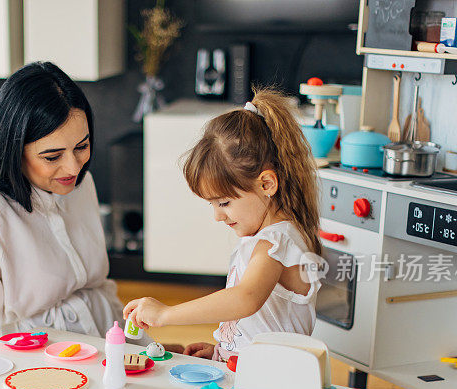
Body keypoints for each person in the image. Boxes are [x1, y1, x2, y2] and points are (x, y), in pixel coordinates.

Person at [0, 62, 150, 365]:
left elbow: (100, 294)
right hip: (35, 370)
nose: (73, 167)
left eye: (82, 146)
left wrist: (146, 349)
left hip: (105, 353)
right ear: (14, 149)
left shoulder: (81, 185)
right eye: (52, 156)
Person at [124, 89, 325, 362]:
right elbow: (255, 322)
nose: (218, 217)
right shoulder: (262, 238)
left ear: (267, 184)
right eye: (212, 205)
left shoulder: (277, 242)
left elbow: (245, 299)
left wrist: (166, 314)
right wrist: (222, 349)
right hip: (251, 372)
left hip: (276, 382)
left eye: (224, 203)